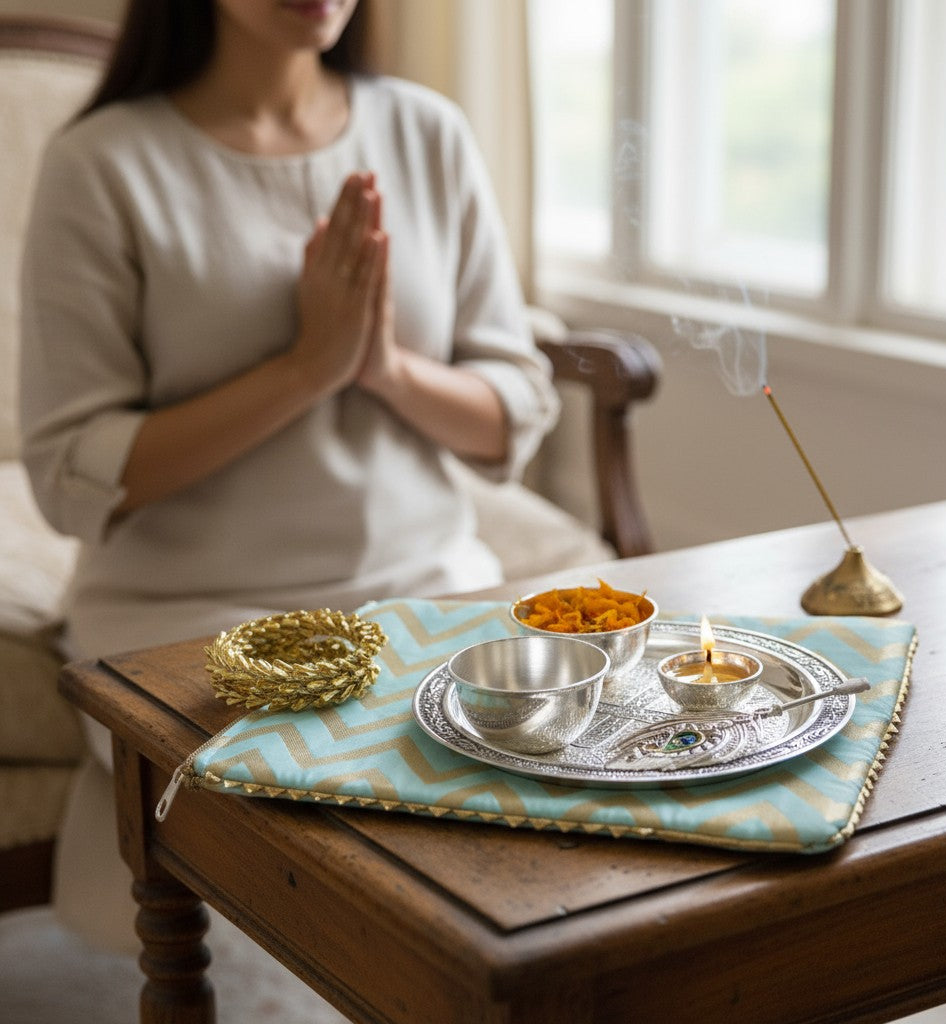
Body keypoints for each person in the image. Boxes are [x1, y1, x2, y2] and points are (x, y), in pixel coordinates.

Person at [19, 0, 558, 952]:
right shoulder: (101, 163)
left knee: (542, 874)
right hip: (186, 625)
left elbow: (512, 407)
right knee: (338, 879)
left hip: (427, 597)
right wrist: (306, 369)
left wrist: (383, 366)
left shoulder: (426, 132)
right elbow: (69, 476)